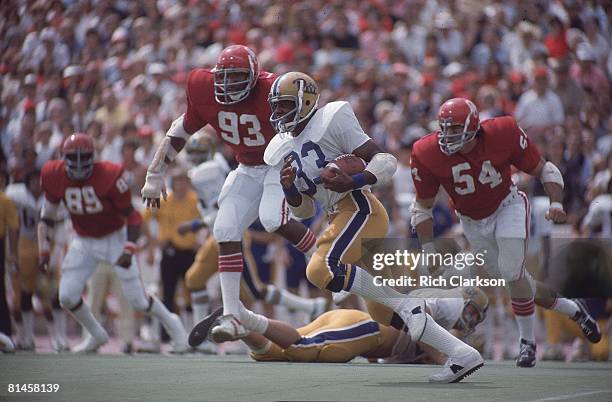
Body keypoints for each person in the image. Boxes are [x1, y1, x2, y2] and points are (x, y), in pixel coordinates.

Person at [263, 72, 483, 383]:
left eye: (285, 105)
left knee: (320, 269)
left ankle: (412, 306)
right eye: (276, 106)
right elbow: (305, 210)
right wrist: (289, 189)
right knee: (382, 314)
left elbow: (386, 160)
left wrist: (353, 180)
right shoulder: (282, 146)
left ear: (307, 101)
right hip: (337, 215)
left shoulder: (332, 118)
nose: (278, 113)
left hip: (359, 207)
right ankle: (462, 354)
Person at [141, 45, 320, 342]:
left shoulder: (273, 88)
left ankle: (320, 256)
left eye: (238, 76)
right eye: (226, 76)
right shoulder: (202, 88)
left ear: (254, 75)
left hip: (278, 164)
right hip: (246, 167)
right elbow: (180, 130)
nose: (231, 83)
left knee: (272, 219)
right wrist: (154, 172)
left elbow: (305, 127)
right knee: (224, 228)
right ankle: (233, 316)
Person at [409, 97, 602, 367]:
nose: (448, 135)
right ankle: (573, 308)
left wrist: (556, 202)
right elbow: (422, 207)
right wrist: (427, 249)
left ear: (473, 126)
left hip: (507, 206)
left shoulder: (503, 132)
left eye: (455, 129)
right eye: (445, 128)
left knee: (512, 272)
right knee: (519, 280)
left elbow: (544, 168)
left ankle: (528, 343)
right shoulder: (427, 151)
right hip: (471, 222)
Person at [38, 133, 188, 353]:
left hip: (114, 238)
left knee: (138, 301)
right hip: (83, 240)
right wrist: (43, 249)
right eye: (73, 158)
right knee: (67, 296)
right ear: (63, 157)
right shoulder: (53, 174)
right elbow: (46, 217)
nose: (79, 164)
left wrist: (129, 248)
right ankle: (96, 335)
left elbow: (134, 217)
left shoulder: (109, 174)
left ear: (93, 157)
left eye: (84, 158)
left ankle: (174, 324)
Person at [180, 131, 327, 351]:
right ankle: (205, 341)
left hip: (228, 234)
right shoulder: (214, 168)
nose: (196, 158)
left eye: (200, 153)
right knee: (195, 279)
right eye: (193, 153)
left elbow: (216, 211)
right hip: (219, 234)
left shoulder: (207, 172)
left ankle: (310, 304)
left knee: (254, 290)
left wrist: (194, 226)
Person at [6, 170, 69, 351]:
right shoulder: (17, 195)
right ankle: (26, 336)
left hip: (48, 244)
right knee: (24, 294)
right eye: (33, 181)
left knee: (54, 294)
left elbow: (59, 226)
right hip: (26, 245)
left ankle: (59, 337)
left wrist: (55, 254)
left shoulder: (51, 199)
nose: (36, 185)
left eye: (39, 181)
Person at [0, 168, 19, 352]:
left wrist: (13, 252)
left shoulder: (5, 200)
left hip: (0, 243)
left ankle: (5, 331)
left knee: (1, 290)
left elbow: (12, 228)